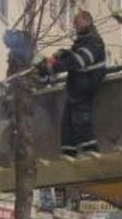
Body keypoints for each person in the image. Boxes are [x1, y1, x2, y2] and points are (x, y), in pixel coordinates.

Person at [40, 10, 107, 157]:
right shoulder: (83, 42)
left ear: (87, 21)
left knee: (81, 122)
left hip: (84, 89)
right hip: (75, 90)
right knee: (67, 125)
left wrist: (54, 66)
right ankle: (69, 154)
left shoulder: (94, 42)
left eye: (77, 22)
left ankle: (91, 154)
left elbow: (78, 61)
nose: (74, 26)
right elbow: (73, 56)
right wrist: (62, 54)